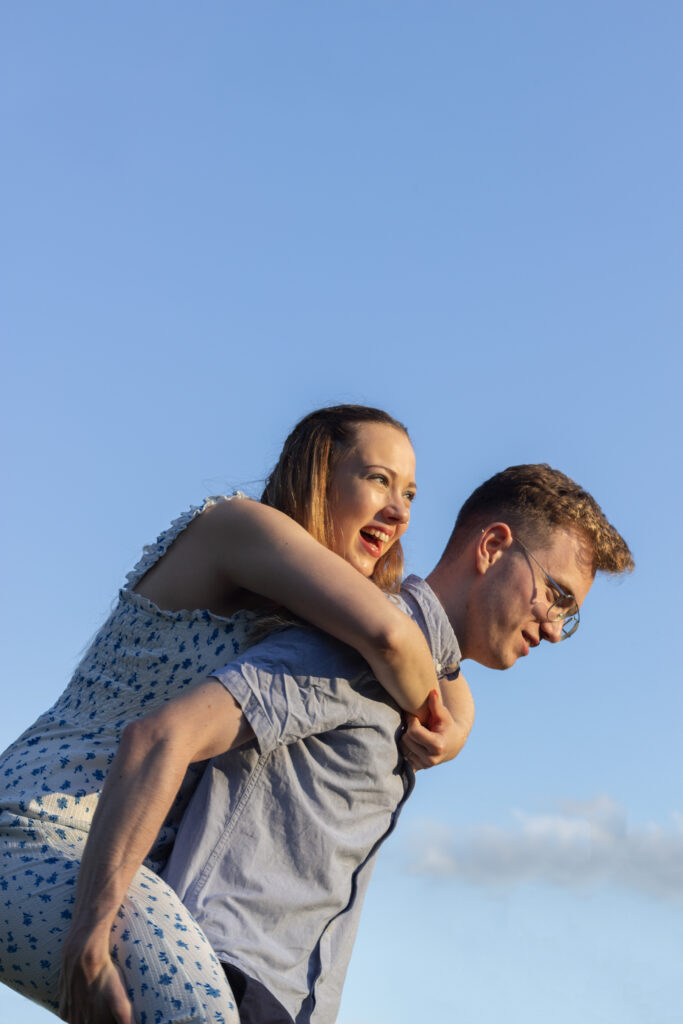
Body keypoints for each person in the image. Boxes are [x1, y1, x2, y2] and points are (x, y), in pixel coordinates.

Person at [60, 463, 632, 1024]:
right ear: (492, 547)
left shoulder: (422, 679)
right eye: (557, 595)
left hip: (279, 997)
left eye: (570, 615)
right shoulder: (359, 644)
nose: (556, 627)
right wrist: (90, 939)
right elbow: (164, 735)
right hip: (226, 978)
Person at [0, 405, 472, 1023]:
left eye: (409, 493)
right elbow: (396, 637)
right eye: (379, 480)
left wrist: (458, 717)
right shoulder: (236, 527)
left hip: (114, 861)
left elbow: (429, 639)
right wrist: (444, 713)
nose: (400, 510)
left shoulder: (312, 600)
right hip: (35, 828)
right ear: (320, 472)